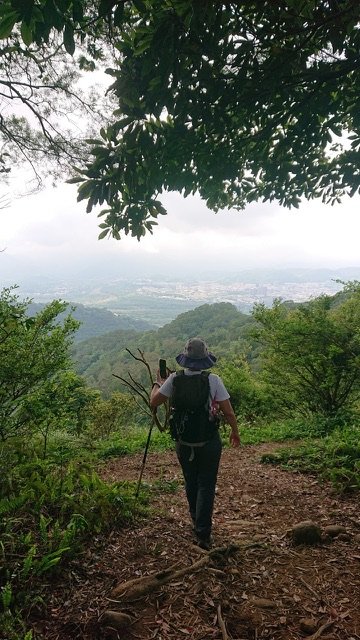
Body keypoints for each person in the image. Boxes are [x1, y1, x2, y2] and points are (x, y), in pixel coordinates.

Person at [150, 337, 240, 550]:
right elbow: (228, 411)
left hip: (184, 441)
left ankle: (195, 518)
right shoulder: (213, 380)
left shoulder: (174, 379)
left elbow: (154, 401)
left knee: (191, 481)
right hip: (209, 441)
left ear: (186, 358)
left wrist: (158, 383)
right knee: (206, 484)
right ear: (205, 358)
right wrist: (235, 432)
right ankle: (203, 532)